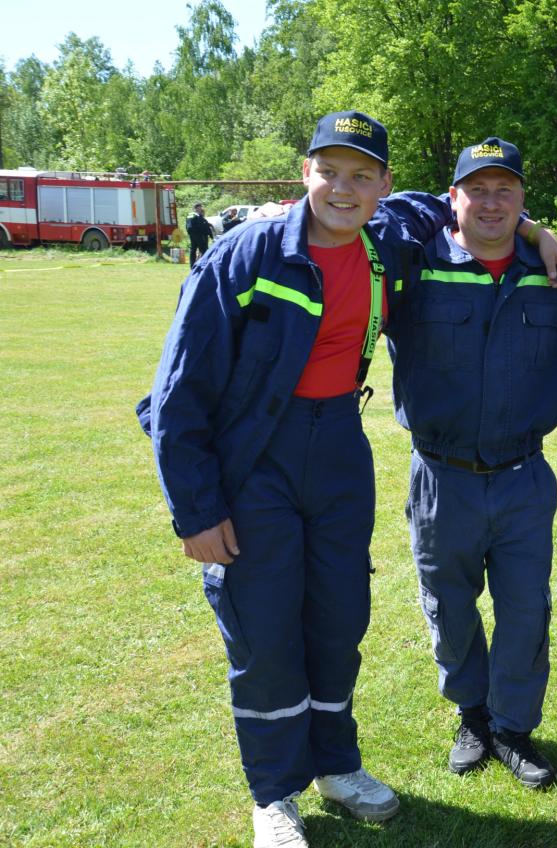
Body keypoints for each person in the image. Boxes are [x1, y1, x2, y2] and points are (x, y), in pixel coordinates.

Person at [138, 111, 414, 848]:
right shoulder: (246, 253)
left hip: (341, 451)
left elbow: (450, 208)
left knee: (339, 618)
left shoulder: (387, 243)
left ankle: (337, 765)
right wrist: (196, 511)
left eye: (362, 176)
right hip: (257, 456)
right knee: (264, 630)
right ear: (304, 173)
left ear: (384, 186)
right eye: (330, 171)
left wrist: (536, 230)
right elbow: (177, 391)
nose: (344, 189)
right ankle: (273, 793)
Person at [381, 138, 557, 790]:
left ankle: (513, 727)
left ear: (522, 198)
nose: (491, 203)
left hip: (523, 478)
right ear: (453, 197)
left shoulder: (553, 273)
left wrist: (538, 236)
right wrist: (534, 226)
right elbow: (375, 214)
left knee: (525, 610)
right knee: (450, 607)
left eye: (505, 191)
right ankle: (472, 715)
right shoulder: (415, 264)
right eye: (477, 190)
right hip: (442, 479)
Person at [186, 202, 215, 267]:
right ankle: (204, 264)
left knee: (193, 250)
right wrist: (208, 234)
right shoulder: (197, 215)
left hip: (191, 235)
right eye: (200, 207)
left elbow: (187, 226)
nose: (200, 209)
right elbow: (202, 225)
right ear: (197, 208)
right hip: (199, 234)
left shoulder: (189, 215)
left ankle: (192, 265)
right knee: (203, 249)